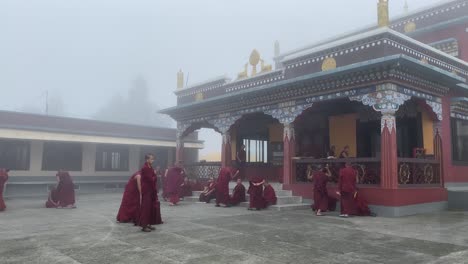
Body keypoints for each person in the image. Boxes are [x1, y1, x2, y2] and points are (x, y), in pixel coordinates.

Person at [138, 154, 157, 232]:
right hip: (146, 190)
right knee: (145, 208)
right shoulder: (145, 168)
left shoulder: (150, 167)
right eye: (151, 159)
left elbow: (152, 177)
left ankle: (148, 224)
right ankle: (144, 226)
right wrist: (155, 175)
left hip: (150, 189)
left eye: (153, 159)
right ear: (147, 160)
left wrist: (154, 176)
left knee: (150, 208)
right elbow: (150, 179)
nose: (153, 160)